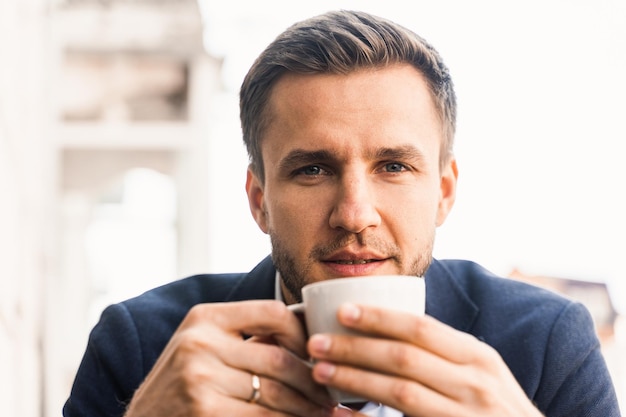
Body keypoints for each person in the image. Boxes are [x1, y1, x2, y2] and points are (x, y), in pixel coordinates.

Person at [63, 10, 621, 417]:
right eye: (312, 170)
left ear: (445, 192)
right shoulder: (142, 348)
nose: (354, 215)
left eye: (394, 167)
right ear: (259, 200)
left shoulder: (547, 345)